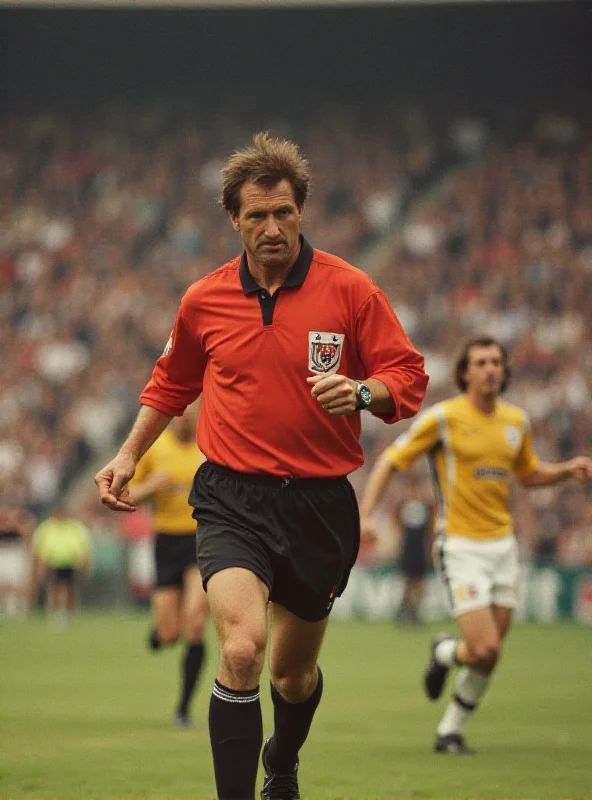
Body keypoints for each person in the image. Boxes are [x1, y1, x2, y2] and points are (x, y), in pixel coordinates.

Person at [95, 131, 428, 800]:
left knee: (291, 677)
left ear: (301, 212)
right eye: (257, 215)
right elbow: (169, 384)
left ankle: (284, 759)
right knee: (241, 649)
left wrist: (365, 391)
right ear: (233, 219)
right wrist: (128, 453)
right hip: (230, 497)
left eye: (284, 213)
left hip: (319, 504)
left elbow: (408, 376)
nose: (272, 227)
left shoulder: (352, 290)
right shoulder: (204, 300)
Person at [360, 334, 592, 755]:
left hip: (504, 547)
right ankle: (446, 651)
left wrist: (566, 471)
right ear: (465, 372)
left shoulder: (516, 422)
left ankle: (450, 724)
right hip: (460, 546)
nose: (490, 369)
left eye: (496, 362)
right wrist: (365, 514)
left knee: (488, 653)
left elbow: (528, 473)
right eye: (481, 362)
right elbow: (391, 460)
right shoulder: (443, 419)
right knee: (483, 646)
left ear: (504, 371)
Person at [127, 407, 209, 728]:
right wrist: (151, 487)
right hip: (166, 543)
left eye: (189, 415)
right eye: (179, 415)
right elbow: (127, 493)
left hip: (201, 540)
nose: (183, 420)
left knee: (196, 622)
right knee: (170, 633)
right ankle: (161, 633)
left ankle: (183, 709)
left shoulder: (209, 449)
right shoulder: (156, 449)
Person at [32, 504, 93, 628]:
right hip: (52, 562)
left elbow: (84, 547)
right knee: (54, 589)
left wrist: (85, 564)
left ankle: (70, 614)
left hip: (70, 562)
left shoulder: (76, 527)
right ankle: (54, 614)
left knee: (71, 589)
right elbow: (39, 547)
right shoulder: (47, 527)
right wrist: (39, 565)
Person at [391, 474, 434, 625]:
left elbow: (429, 530)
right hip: (409, 547)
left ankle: (414, 611)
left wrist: (429, 547)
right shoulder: (404, 504)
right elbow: (398, 525)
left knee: (419, 582)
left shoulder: (427, 506)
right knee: (409, 581)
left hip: (420, 547)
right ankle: (405, 610)